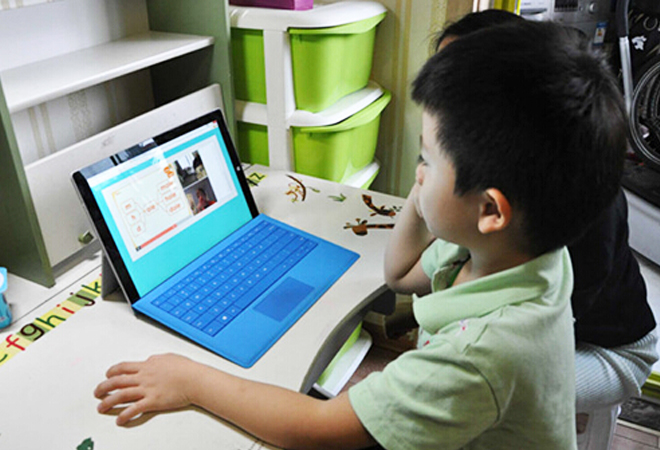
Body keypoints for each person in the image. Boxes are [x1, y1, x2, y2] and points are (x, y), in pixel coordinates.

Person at [94, 20, 626, 449]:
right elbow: (399, 275)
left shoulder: (479, 357)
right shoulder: (522, 252)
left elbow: (320, 429)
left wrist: (191, 380)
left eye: (426, 158)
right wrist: (430, 188)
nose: (417, 174)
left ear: (490, 209)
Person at [434, 9, 658, 427]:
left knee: (472, 387)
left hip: (609, 351)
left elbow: (545, 323)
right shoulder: (476, 167)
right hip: (542, 323)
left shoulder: (579, 197)